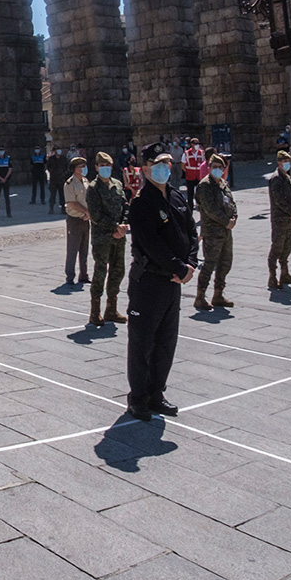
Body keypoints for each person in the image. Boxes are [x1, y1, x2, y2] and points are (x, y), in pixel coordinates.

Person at [125, 144, 196, 420]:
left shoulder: (176, 196)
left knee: (167, 341)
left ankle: (157, 393)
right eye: (157, 164)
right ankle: (138, 397)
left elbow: (191, 231)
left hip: (173, 281)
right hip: (149, 281)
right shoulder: (142, 202)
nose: (164, 168)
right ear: (144, 169)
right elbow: (150, 243)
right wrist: (179, 266)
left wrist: (191, 263)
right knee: (142, 341)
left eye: (167, 163)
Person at [87, 150, 130, 327]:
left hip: (118, 237)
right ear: (96, 167)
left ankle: (111, 309)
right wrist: (115, 227)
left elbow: (125, 206)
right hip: (102, 238)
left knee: (118, 271)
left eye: (108, 165)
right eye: (101, 165)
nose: (105, 168)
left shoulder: (117, 184)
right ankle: (95, 312)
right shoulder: (93, 188)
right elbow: (96, 215)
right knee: (100, 272)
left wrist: (124, 224)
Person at [193, 154, 237, 311]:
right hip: (212, 232)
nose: (217, 170)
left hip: (226, 232)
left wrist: (233, 218)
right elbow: (209, 209)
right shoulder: (205, 186)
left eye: (220, 167)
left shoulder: (223, 184)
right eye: (214, 167)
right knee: (209, 264)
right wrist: (227, 221)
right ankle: (200, 296)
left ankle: (218, 294)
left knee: (225, 263)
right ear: (209, 168)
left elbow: (232, 203)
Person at [268, 148, 291, 290]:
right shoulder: (276, 179)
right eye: (284, 161)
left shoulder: (286, 177)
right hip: (279, 218)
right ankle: (272, 276)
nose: (287, 164)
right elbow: (279, 200)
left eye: (288, 161)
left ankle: (285, 274)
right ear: (279, 162)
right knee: (277, 247)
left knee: (286, 247)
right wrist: (290, 211)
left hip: (287, 218)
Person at [62, 156, 92, 287]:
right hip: (75, 219)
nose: (83, 169)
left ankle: (84, 275)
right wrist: (86, 212)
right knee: (73, 249)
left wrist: (88, 214)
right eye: (80, 167)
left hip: (85, 219)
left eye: (84, 167)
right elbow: (71, 203)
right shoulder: (69, 184)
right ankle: (70, 276)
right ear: (74, 169)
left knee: (84, 249)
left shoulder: (86, 181)